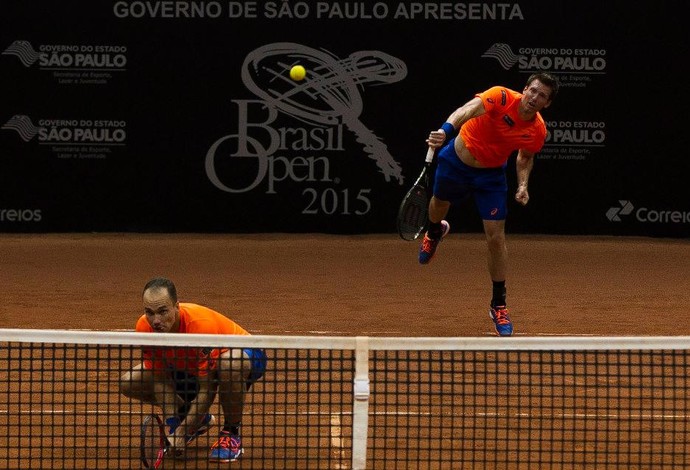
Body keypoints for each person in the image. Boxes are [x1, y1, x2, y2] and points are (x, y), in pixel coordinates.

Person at [419, 72, 559, 336]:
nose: (534, 98)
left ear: (547, 104)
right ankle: (435, 230)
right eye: (533, 91)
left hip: (491, 177)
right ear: (525, 89)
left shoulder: (537, 130)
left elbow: (525, 157)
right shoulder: (501, 96)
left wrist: (522, 185)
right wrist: (445, 130)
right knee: (438, 204)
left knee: (496, 238)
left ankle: (498, 304)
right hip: (456, 162)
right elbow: (468, 109)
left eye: (542, 96)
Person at [119, 277, 267, 462]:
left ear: (176, 306)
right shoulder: (144, 328)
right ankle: (193, 421)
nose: (155, 321)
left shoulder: (199, 327)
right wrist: (175, 424)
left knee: (229, 364)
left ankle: (231, 433)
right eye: (149, 312)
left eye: (163, 311)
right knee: (129, 382)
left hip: (245, 355)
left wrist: (181, 432)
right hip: (189, 366)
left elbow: (209, 387)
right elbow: (159, 378)